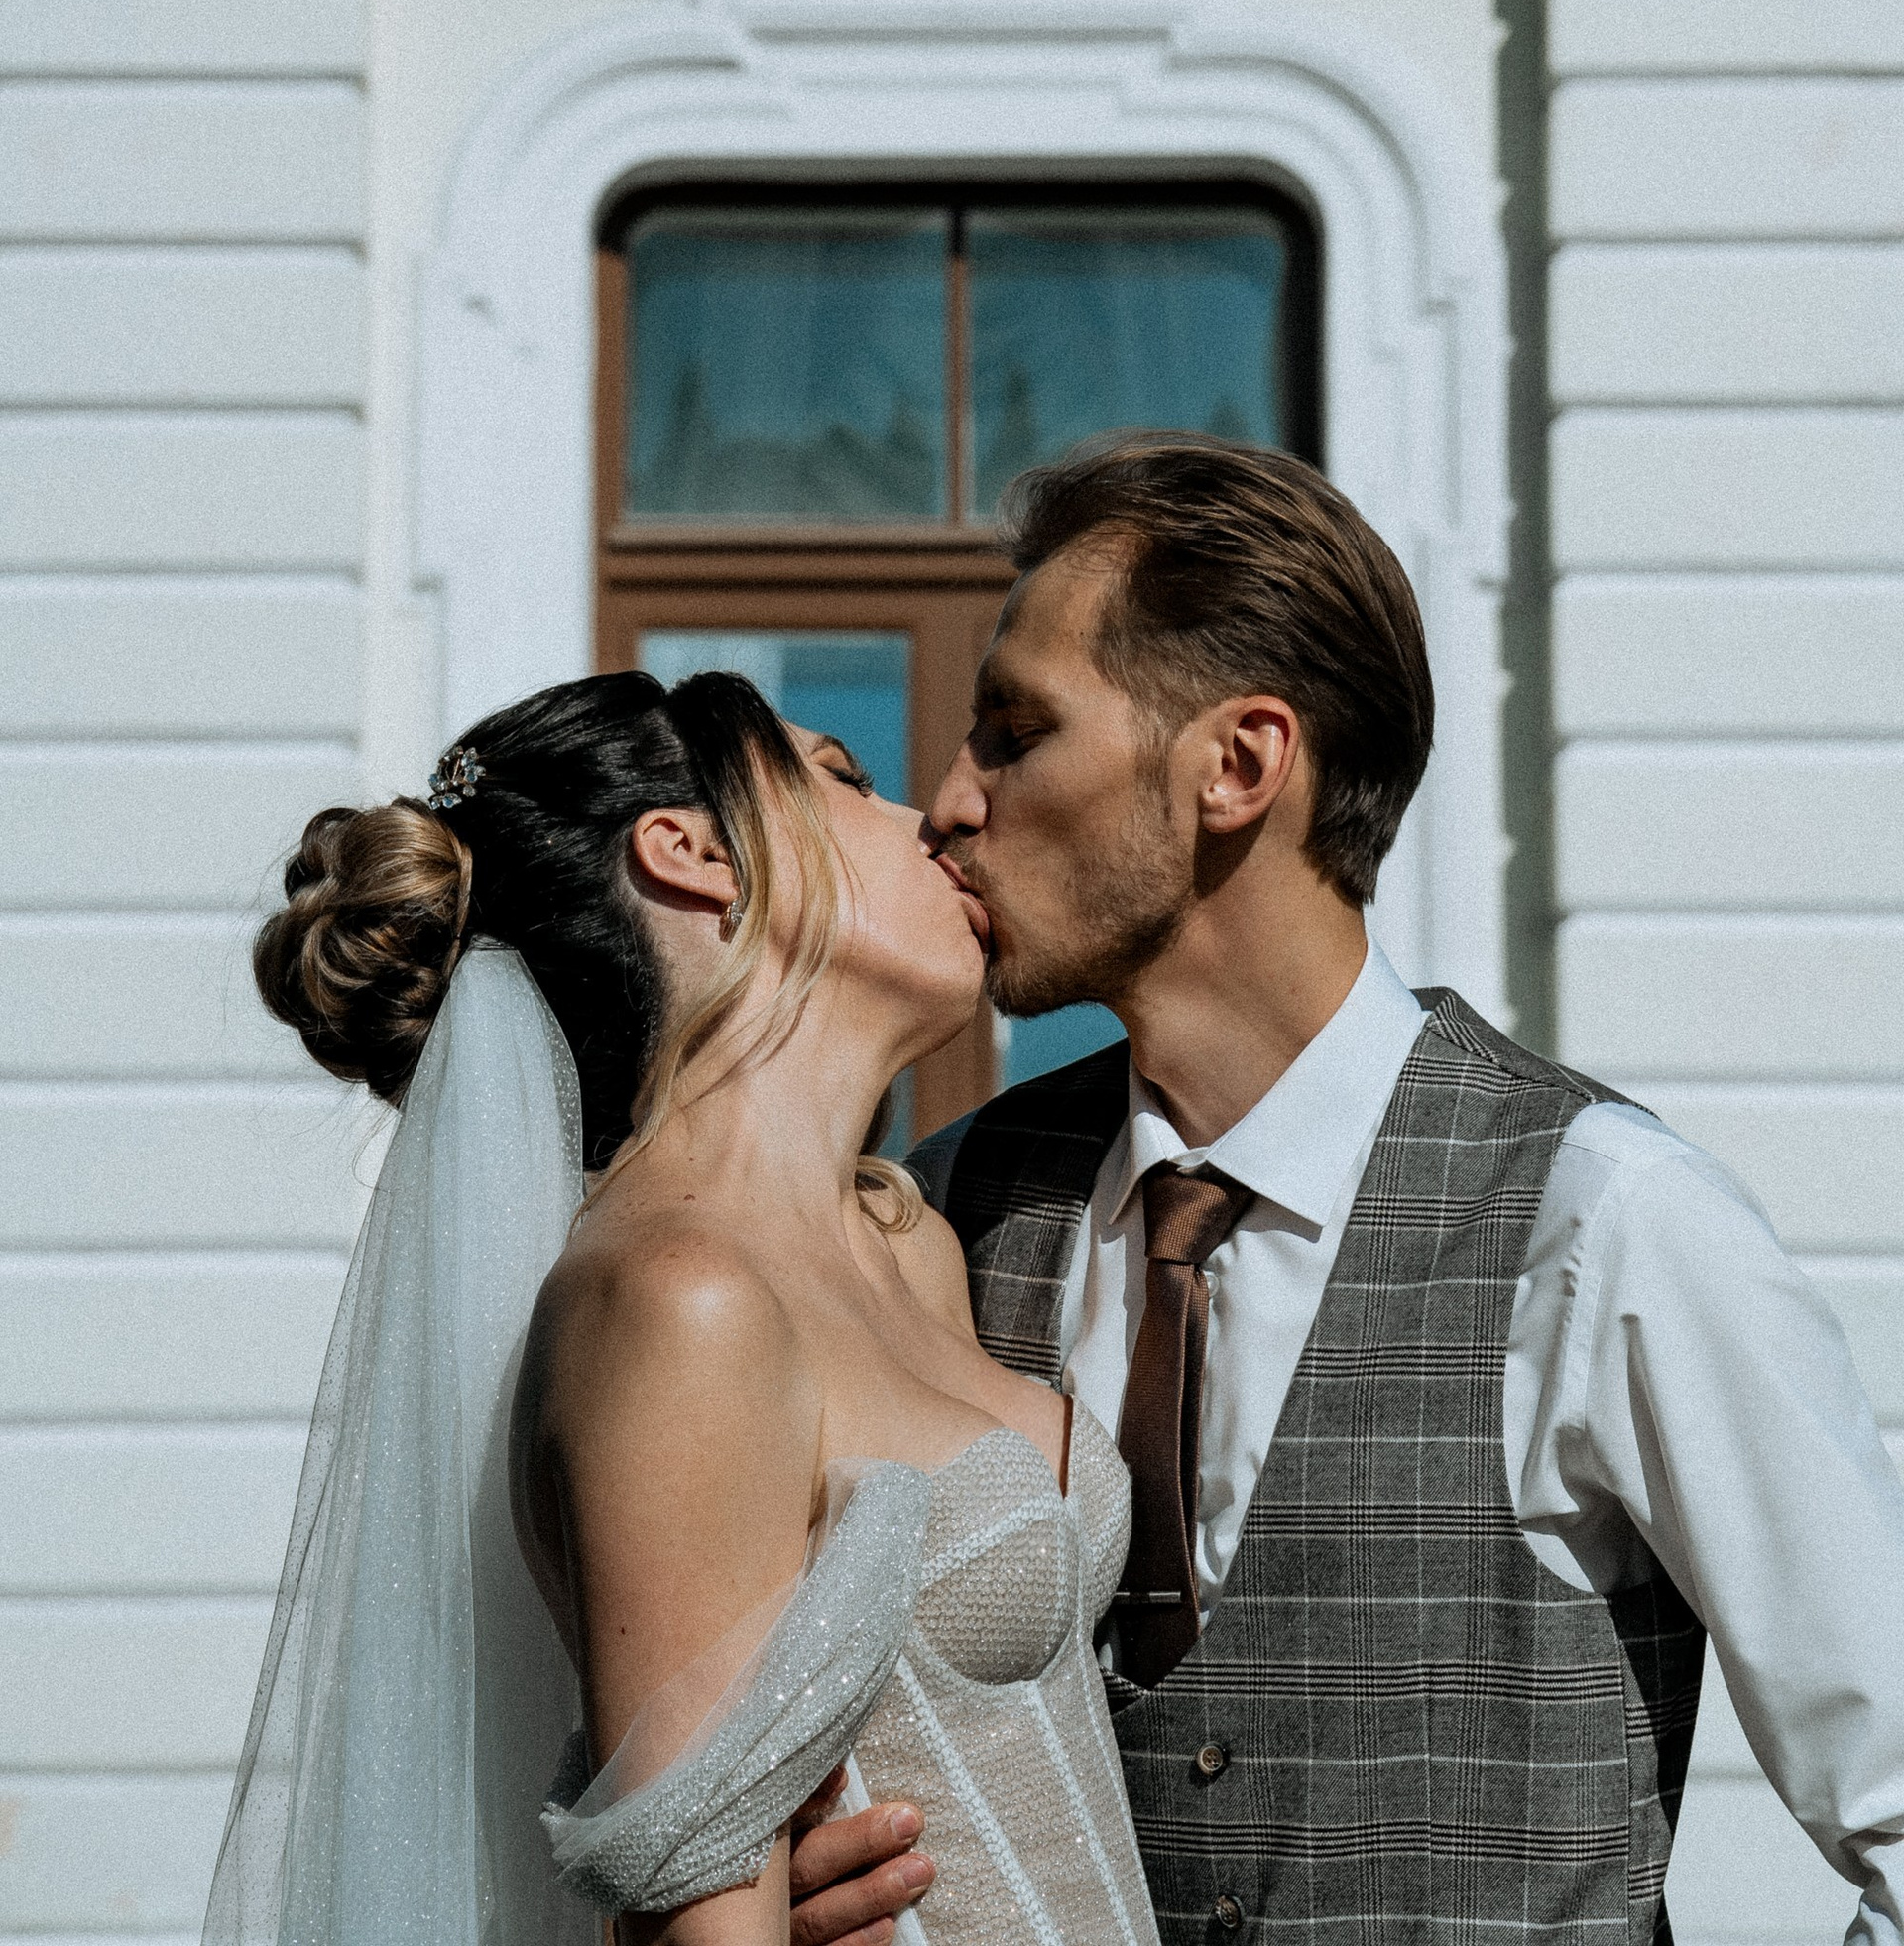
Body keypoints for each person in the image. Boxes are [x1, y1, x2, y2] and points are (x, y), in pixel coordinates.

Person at [792, 435, 1904, 1946]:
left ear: (1239, 767)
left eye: (1015, 731)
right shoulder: (950, 1212)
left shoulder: (1608, 1222)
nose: (950, 801)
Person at [203, 668, 1160, 1946]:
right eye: (846, 778)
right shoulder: (674, 1303)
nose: (929, 819)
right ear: (695, 855)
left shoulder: (911, 1243)